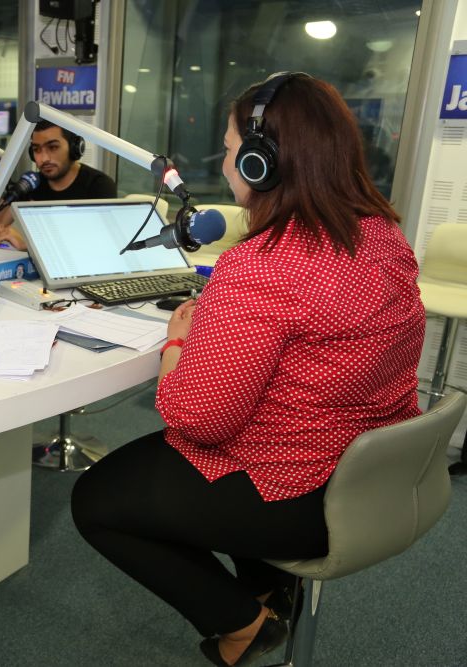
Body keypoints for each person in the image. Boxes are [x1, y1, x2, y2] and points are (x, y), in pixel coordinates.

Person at [70, 73, 425, 666]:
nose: (226, 162)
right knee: (240, 435)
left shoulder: (263, 265)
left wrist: (178, 342)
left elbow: (197, 419)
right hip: (370, 472)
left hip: (301, 497)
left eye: (231, 149)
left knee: (96, 501)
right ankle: (267, 590)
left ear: (263, 163)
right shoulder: (383, 235)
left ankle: (243, 624)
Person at [0, 120, 116, 250]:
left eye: (53, 147)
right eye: (36, 149)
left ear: (74, 148)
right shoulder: (32, 183)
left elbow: (100, 243)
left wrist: (28, 243)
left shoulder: (99, 185)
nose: (44, 159)